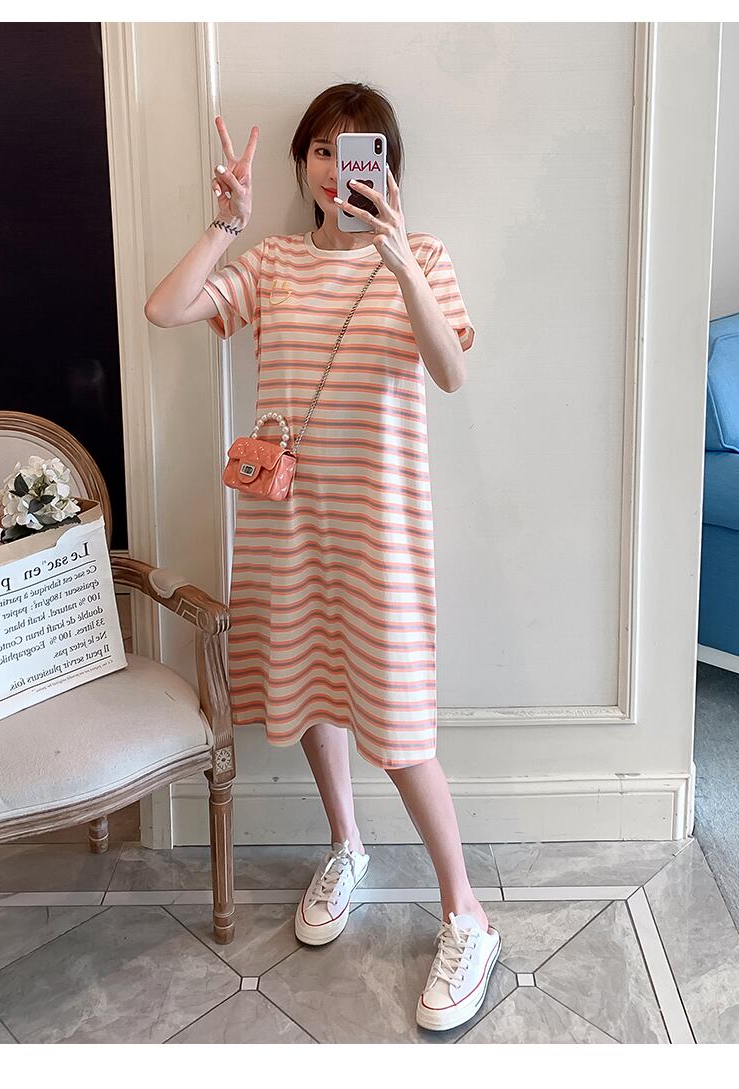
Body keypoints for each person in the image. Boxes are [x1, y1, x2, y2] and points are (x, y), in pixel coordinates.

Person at [144, 81, 501, 1033]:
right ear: (303, 163)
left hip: (382, 529)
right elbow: (165, 308)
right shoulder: (272, 263)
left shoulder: (422, 255)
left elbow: (451, 371)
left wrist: (399, 257)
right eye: (323, 151)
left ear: (388, 168)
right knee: (306, 688)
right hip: (287, 520)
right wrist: (224, 224)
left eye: (362, 151)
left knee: (401, 723)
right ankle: (347, 844)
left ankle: (467, 911)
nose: (340, 170)